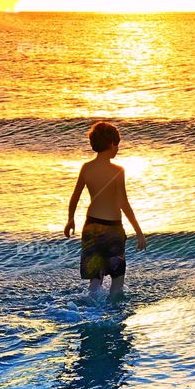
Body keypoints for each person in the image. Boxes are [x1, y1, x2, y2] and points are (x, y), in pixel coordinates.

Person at [64, 122, 147, 299]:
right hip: (112, 230)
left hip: (91, 227)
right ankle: (114, 317)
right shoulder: (118, 170)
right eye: (117, 144)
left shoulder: (86, 167)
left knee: (95, 279)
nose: (118, 149)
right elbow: (123, 202)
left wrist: (70, 220)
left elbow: (75, 197)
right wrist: (139, 231)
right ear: (111, 144)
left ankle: (92, 313)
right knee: (117, 278)